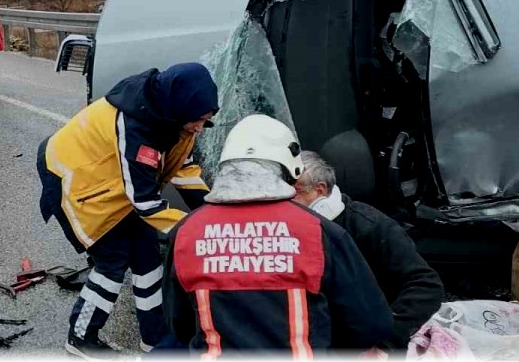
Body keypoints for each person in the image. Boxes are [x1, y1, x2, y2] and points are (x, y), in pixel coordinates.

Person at [163, 114, 392, 356]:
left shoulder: (186, 233)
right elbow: (370, 324)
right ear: (290, 167)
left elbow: (178, 323)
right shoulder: (318, 231)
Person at [37, 63, 219, 358]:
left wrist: (215, 211)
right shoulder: (135, 125)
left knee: (147, 258)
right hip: (75, 181)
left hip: (117, 184)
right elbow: (145, 200)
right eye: (198, 120)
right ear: (183, 108)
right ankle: (81, 337)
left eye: (206, 120)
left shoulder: (177, 115)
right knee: (113, 261)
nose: (200, 127)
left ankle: (155, 339)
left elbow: (184, 169)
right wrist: (197, 231)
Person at [293, 150, 444, 348]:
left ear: (319, 190)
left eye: (293, 193)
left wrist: (385, 343)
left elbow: (426, 284)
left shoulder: (370, 225)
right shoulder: (287, 230)